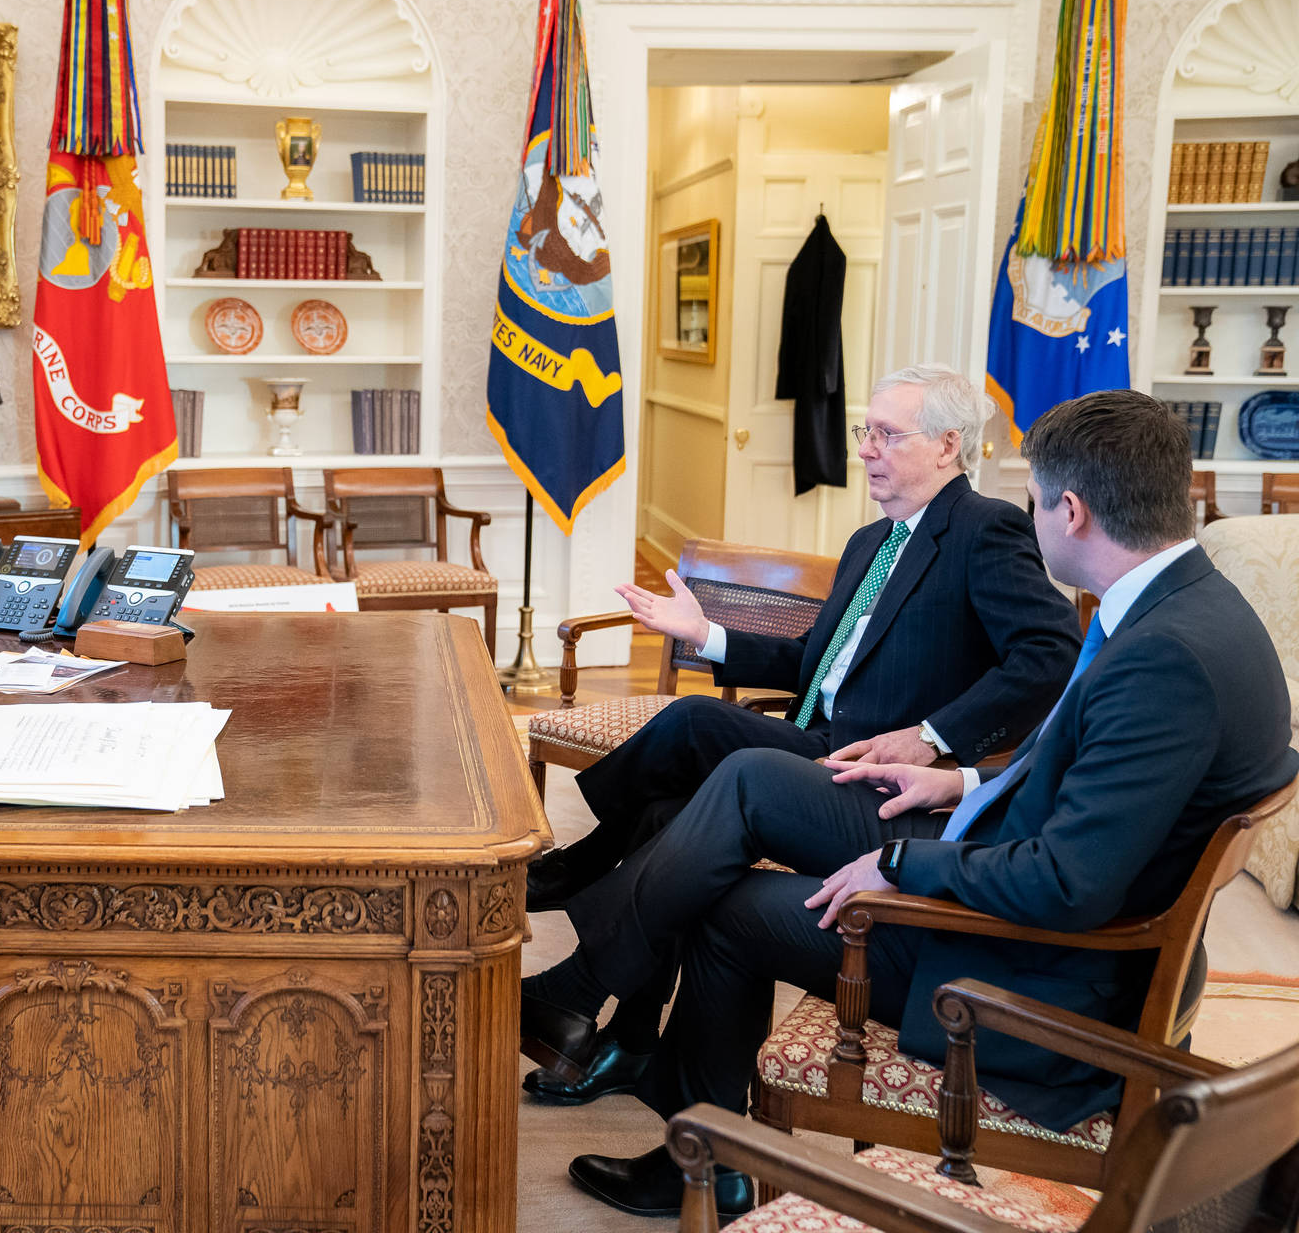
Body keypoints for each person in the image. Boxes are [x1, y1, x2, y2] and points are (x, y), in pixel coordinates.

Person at [519, 389, 1299, 1218]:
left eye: (1033, 499)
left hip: (1032, 978)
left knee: (728, 890)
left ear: (1069, 510)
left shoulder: (1163, 658)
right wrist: (960, 782)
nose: (1027, 516)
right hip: (1022, 890)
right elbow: (1077, 773)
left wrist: (901, 864)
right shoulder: (1196, 612)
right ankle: (643, 1067)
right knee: (729, 790)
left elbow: (1072, 883)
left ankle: (664, 1105)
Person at [523, 364, 1080, 1106]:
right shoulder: (871, 542)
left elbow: (1049, 652)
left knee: (692, 722)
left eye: (888, 434)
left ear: (949, 446)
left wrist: (934, 734)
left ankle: (585, 887)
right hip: (813, 743)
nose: (868, 449)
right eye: (865, 432)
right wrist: (708, 634)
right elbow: (811, 662)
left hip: (869, 771)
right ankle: (626, 1038)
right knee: (664, 817)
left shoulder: (985, 529)